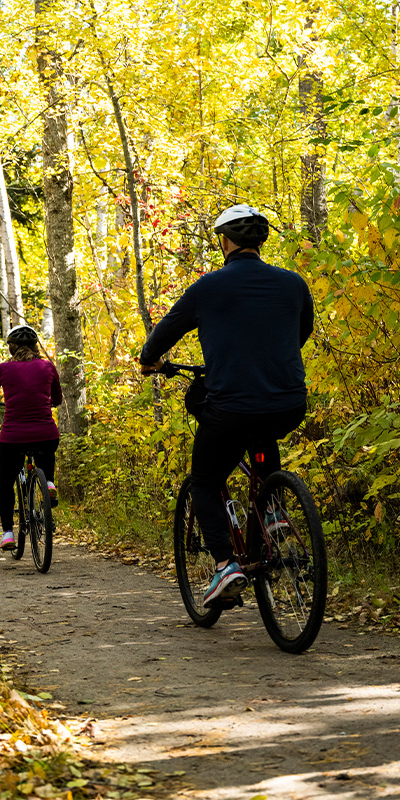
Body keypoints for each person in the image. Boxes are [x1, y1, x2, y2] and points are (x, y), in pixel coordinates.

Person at [139, 204, 313, 607]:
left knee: (204, 480)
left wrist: (151, 359)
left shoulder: (209, 287)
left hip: (231, 407)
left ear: (225, 241)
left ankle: (224, 567)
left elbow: (162, 335)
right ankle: (273, 513)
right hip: (289, 401)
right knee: (263, 428)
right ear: (261, 241)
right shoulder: (293, 284)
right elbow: (301, 332)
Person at [0, 324, 63, 551]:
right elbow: (58, 398)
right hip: (46, 433)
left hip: (13, 438)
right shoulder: (47, 366)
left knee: (5, 481)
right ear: (35, 346)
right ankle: (49, 482)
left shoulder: (3, 369)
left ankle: (7, 534)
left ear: (12, 348)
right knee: (46, 448)